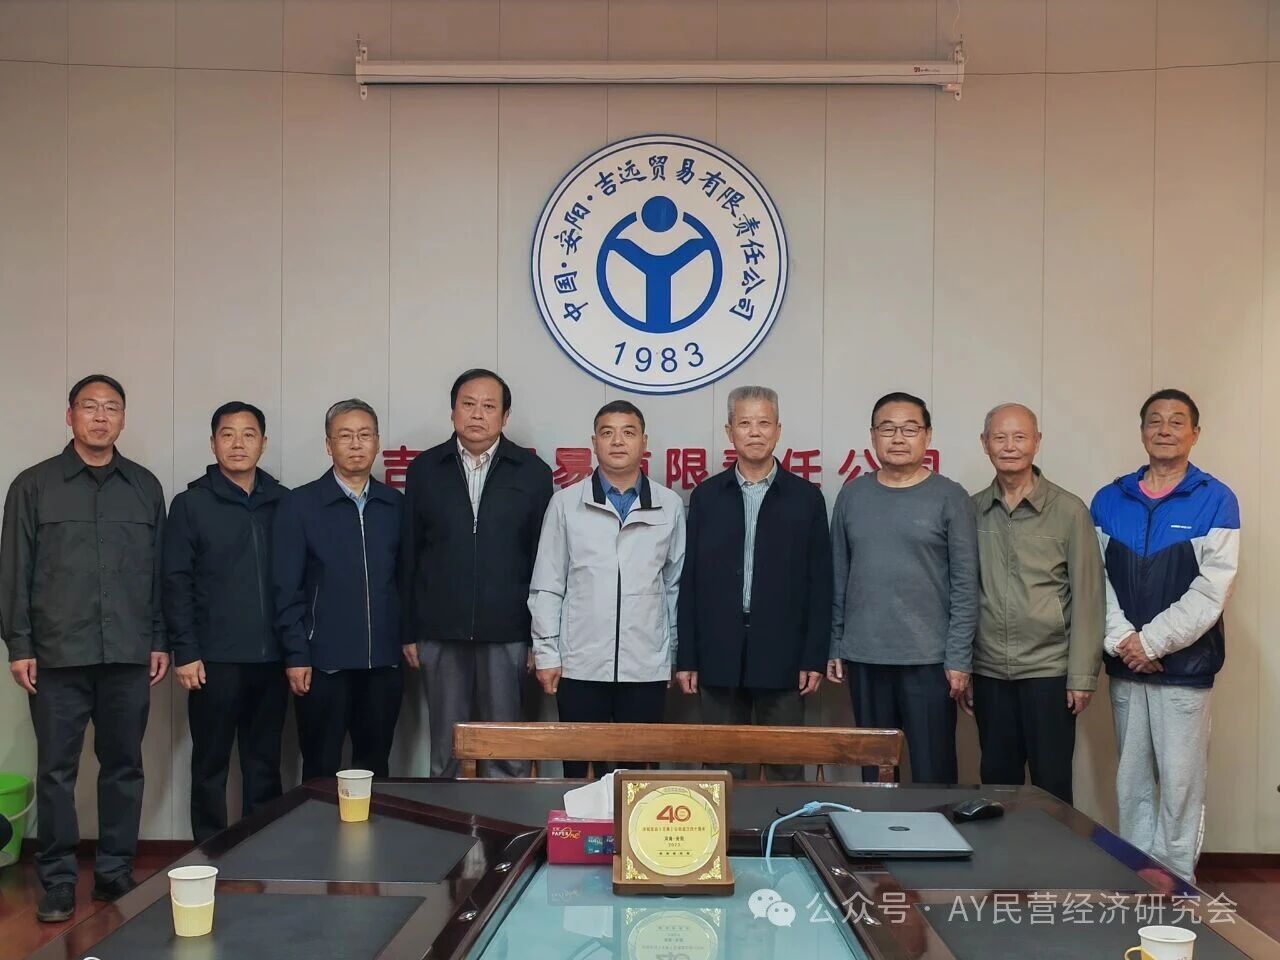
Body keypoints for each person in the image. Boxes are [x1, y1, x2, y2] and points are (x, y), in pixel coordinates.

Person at [0, 374, 168, 922]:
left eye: (111, 407)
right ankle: (57, 880)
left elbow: (157, 573)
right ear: (69, 415)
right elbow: (14, 571)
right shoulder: (33, 486)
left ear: (123, 418)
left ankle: (115, 872)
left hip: (127, 652)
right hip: (56, 656)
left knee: (123, 766)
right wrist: (19, 643)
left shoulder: (144, 487)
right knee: (56, 772)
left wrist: (159, 638)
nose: (100, 416)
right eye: (89, 406)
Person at [1092, 388, 1239, 882]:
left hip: (1185, 670)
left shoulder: (1216, 499)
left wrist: (1151, 642)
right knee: (1131, 780)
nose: (1165, 430)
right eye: (1155, 420)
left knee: (1180, 784)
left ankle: (1176, 883)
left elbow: (1213, 589)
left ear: (1195, 433)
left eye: (1177, 421)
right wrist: (1124, 641)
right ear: (1141, 431)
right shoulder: (1109, 499)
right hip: (1126, 666)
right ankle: (1136, 878)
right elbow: (1095, 581)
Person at [400, 369, 553, 777]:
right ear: (453, 411)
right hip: (440, 631)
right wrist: (409, 631)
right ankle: (447, 818)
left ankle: (508, 818)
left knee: (506, 750)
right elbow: (410, 554)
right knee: (448, 748)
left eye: (489, 406)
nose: (477, 415)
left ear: (505, 416)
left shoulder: (532, 473)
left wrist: (540, 638)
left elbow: (543, 561)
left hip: (508, 632)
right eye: (468, 404)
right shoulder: (424, 469)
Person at [675, 386, 831, 780]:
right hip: (718, 650)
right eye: (745, 423)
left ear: (778, 430)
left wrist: (813, 656)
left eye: (764, 423)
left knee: (784, 766)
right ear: (729, 431)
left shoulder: (805, 499)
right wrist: (688, 656)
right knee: (722, 768)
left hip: (783, 652)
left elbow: (820, 584)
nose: (755, 432)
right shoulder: (707, 496)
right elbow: (689, 582)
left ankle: (783, 824)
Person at [827, 391, 977, 784]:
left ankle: (937, 827)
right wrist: (836, 643)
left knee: (933, 769)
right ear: (872, 436)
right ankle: (877, 828)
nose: (898, 438)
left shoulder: (951, 497)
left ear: (927, 436)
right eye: (887, 429)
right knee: (875, 771)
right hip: (865, 656)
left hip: (929, 660)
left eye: (909, 429)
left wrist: (959, 657)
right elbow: (839, 573)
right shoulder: (853, 495)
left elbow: (965, 585)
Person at [529, 400, 685, 777]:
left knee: (640, 779)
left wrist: (671, 655)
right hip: (580, 665)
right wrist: (547, 652)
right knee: (581, 774)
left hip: (645, 668)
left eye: (628, 433)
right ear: (594, 442)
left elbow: (674, 587)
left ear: (644, 442)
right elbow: (547, 584)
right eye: (607, 433)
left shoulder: (669, 505)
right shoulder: (566, 504)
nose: (618, 441)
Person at [164, 402, 288, 842]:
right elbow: (176, 581)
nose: (238, 444)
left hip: (272, 659)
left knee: (264, 763)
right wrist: (186, 650)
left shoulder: (283, 502)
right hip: (213, 661)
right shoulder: (191, 504)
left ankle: (262, 850)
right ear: (213, 442)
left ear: (263, 443)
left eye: (249, 434)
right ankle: (208, 853)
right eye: (228, 434)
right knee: (210, 764)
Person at [970, 403, 1104, 804]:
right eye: (1000, 437)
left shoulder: (1069, 511)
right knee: (996, 784)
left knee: (1052, 785)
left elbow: (1088, 598)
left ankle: (1055, 849)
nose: (1009, 446)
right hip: (989, 671)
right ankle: (1001, 849)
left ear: (1037, 442)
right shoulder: (972, 510)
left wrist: (1081, 675)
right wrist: (965, 666)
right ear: (985, 443)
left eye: (1020, 437)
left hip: (1049, 671)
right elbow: (962, 592)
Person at [273, 399, 404, 781]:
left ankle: (374, 824)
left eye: (365, 435)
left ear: (377, 441)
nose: (356, 444)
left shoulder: (394, 505)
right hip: (322, 663)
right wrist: (296, 653)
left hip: (383, 664)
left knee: (375, 766)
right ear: (328, 445)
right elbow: (286, 587)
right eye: (345, 436)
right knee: (320, 767)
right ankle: (319, 825)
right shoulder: (301, 504)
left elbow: (406, 580)